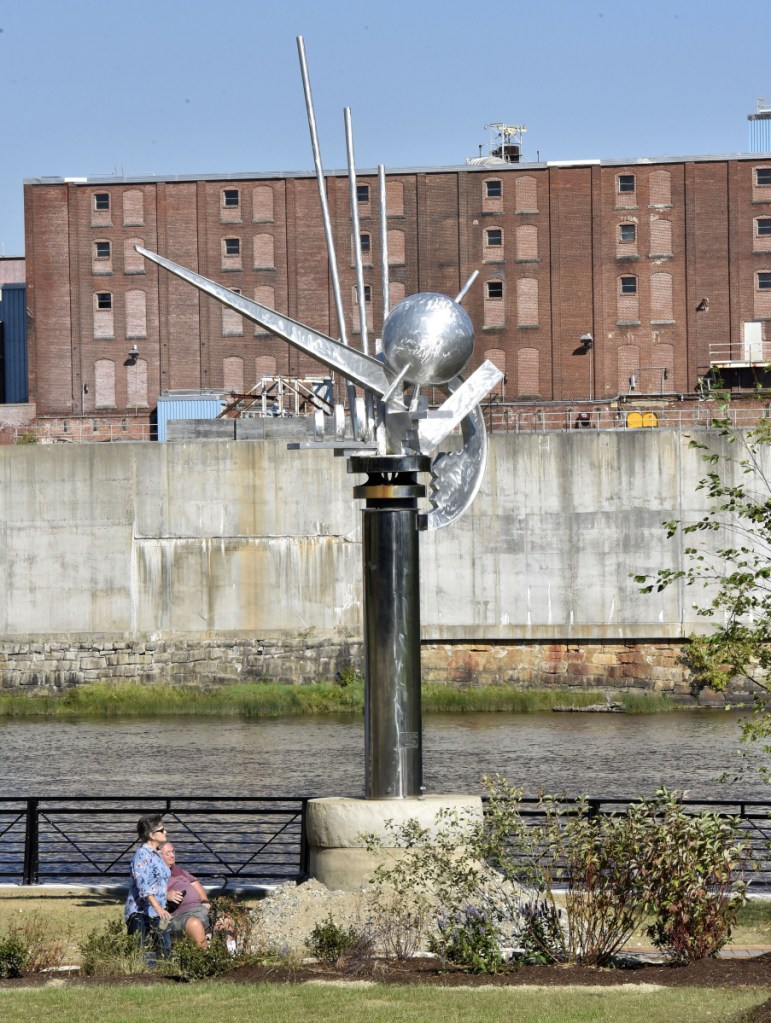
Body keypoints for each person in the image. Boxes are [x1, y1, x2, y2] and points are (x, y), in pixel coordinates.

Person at [124, 815, 174, 959]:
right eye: (162, 830)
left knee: (165, 953)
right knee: (137, 954)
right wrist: (158, 908)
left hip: (158, 912)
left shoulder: (157, 855)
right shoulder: (141, 855)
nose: (166, 832)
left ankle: (163, 977)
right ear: (152, 835)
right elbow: (143, 885)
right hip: (141, 912)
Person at [160, 841, 211, 948]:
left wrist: (205, 901)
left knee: (225, 919)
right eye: (168, 853)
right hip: (178, 914)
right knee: (195, 924)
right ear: (158, 855)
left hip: (199, 909)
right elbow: (148, 893)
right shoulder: (155, 872)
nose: (173, 855)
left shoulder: (177, 870)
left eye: (173, 851)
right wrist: (166, 895)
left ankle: (231, 956)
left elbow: (194, 882)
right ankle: (206, 961)